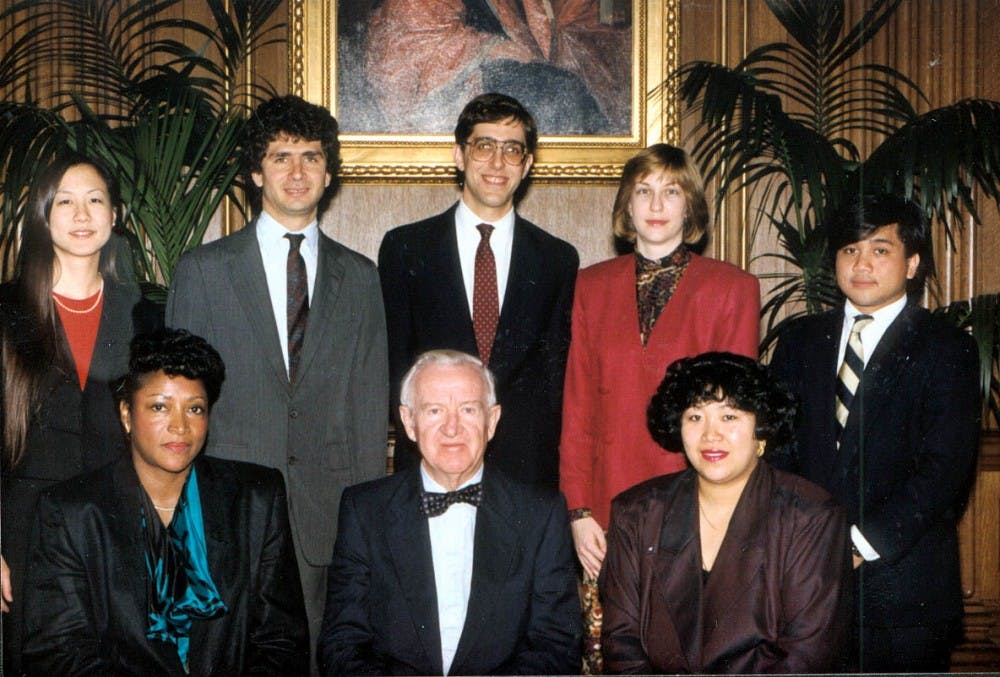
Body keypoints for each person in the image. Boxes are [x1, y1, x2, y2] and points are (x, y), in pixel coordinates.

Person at [166, 94, 389, 663]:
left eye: (311, 157)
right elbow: (179, 408)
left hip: (327, 514)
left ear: (328, 172)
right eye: (281, 156)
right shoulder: (202, 271)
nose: (296, 172)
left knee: (321, 658)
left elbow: (368, 409)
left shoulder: (361, 278)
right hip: (229, 512)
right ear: (255, 170)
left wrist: (361, 524)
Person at [769, 194, 980, 672]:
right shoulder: (800, 340)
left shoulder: (947, 348)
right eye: (849, 250)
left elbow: (944, 471)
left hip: (903, 591)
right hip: (805, 584)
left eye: (880, 250)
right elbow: (778, 452)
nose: (861, 264)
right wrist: (809, 547)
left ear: (912, 263)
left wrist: (858, 544)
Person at [21, 329, 308, 674]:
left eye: (195, 409)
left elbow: (283, 643)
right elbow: (59, 653)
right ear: (127, 414)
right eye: (160, 406)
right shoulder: (71, 512)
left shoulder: (257, 498)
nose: (179, 426)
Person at [559, 143, 759, 577]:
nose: (655, 205)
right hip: (606, 506)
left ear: (690, 207)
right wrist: (578, 511)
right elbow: (577, 407)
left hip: (695, 503)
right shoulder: (590, 286)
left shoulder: (732, 288)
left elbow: (734, 421)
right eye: (643, 191)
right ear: (626, 207)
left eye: (671, 192)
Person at [317, 350, 581, 676]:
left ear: (492, 421)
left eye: (468, 409)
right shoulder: (365, 510)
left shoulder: (540, 514)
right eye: (434, 411)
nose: (452, 428)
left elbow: (556, 647)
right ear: (409, 422)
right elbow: (341, 644)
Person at [0, 153, 162, 674]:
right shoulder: (7, 311)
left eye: (95, 200)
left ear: (114, 216)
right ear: (44, 216)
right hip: (24, 530)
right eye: (65, 201)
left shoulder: (145, 313)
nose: (82, 213)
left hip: (119, 524)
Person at [601, 352, 851, 673]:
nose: (710, 435)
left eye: (729, 417)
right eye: (695, 417)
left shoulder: (812, 517)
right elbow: (622, 645)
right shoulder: (635, 513)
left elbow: (808, 654)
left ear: (761, 430)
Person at [378, 93, 578, 487]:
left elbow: (556, 382)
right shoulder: (405, 248)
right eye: (484, 146)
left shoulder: (557, 259)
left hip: (525, 473)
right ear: (459, 155)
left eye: (512, 150)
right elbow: (394, 366)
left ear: (528, 165)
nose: (497, 163)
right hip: (430, 462)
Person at [361, 0, 631, 134]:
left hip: (494, 74)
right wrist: (488, 47)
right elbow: (414, 40)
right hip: (451, 85)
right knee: (560, 93)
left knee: (565, 91)